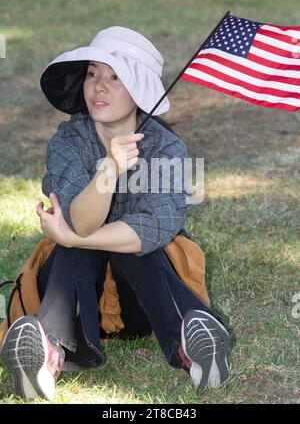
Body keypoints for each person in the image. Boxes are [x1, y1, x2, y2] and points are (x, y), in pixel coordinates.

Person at [0, 27, 230, 401]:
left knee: (134, 247)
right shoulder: (69, 140)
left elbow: (155, 227)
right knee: (79, 245)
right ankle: (46, 353)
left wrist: (72, 236)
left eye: (114, 77)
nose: (98, 86)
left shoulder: (167, 149)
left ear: (140, 90)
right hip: (74, 296)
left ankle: (189, 347)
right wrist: (107, 170)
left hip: (142, 302)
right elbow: (80, 220)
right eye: (92, 73)